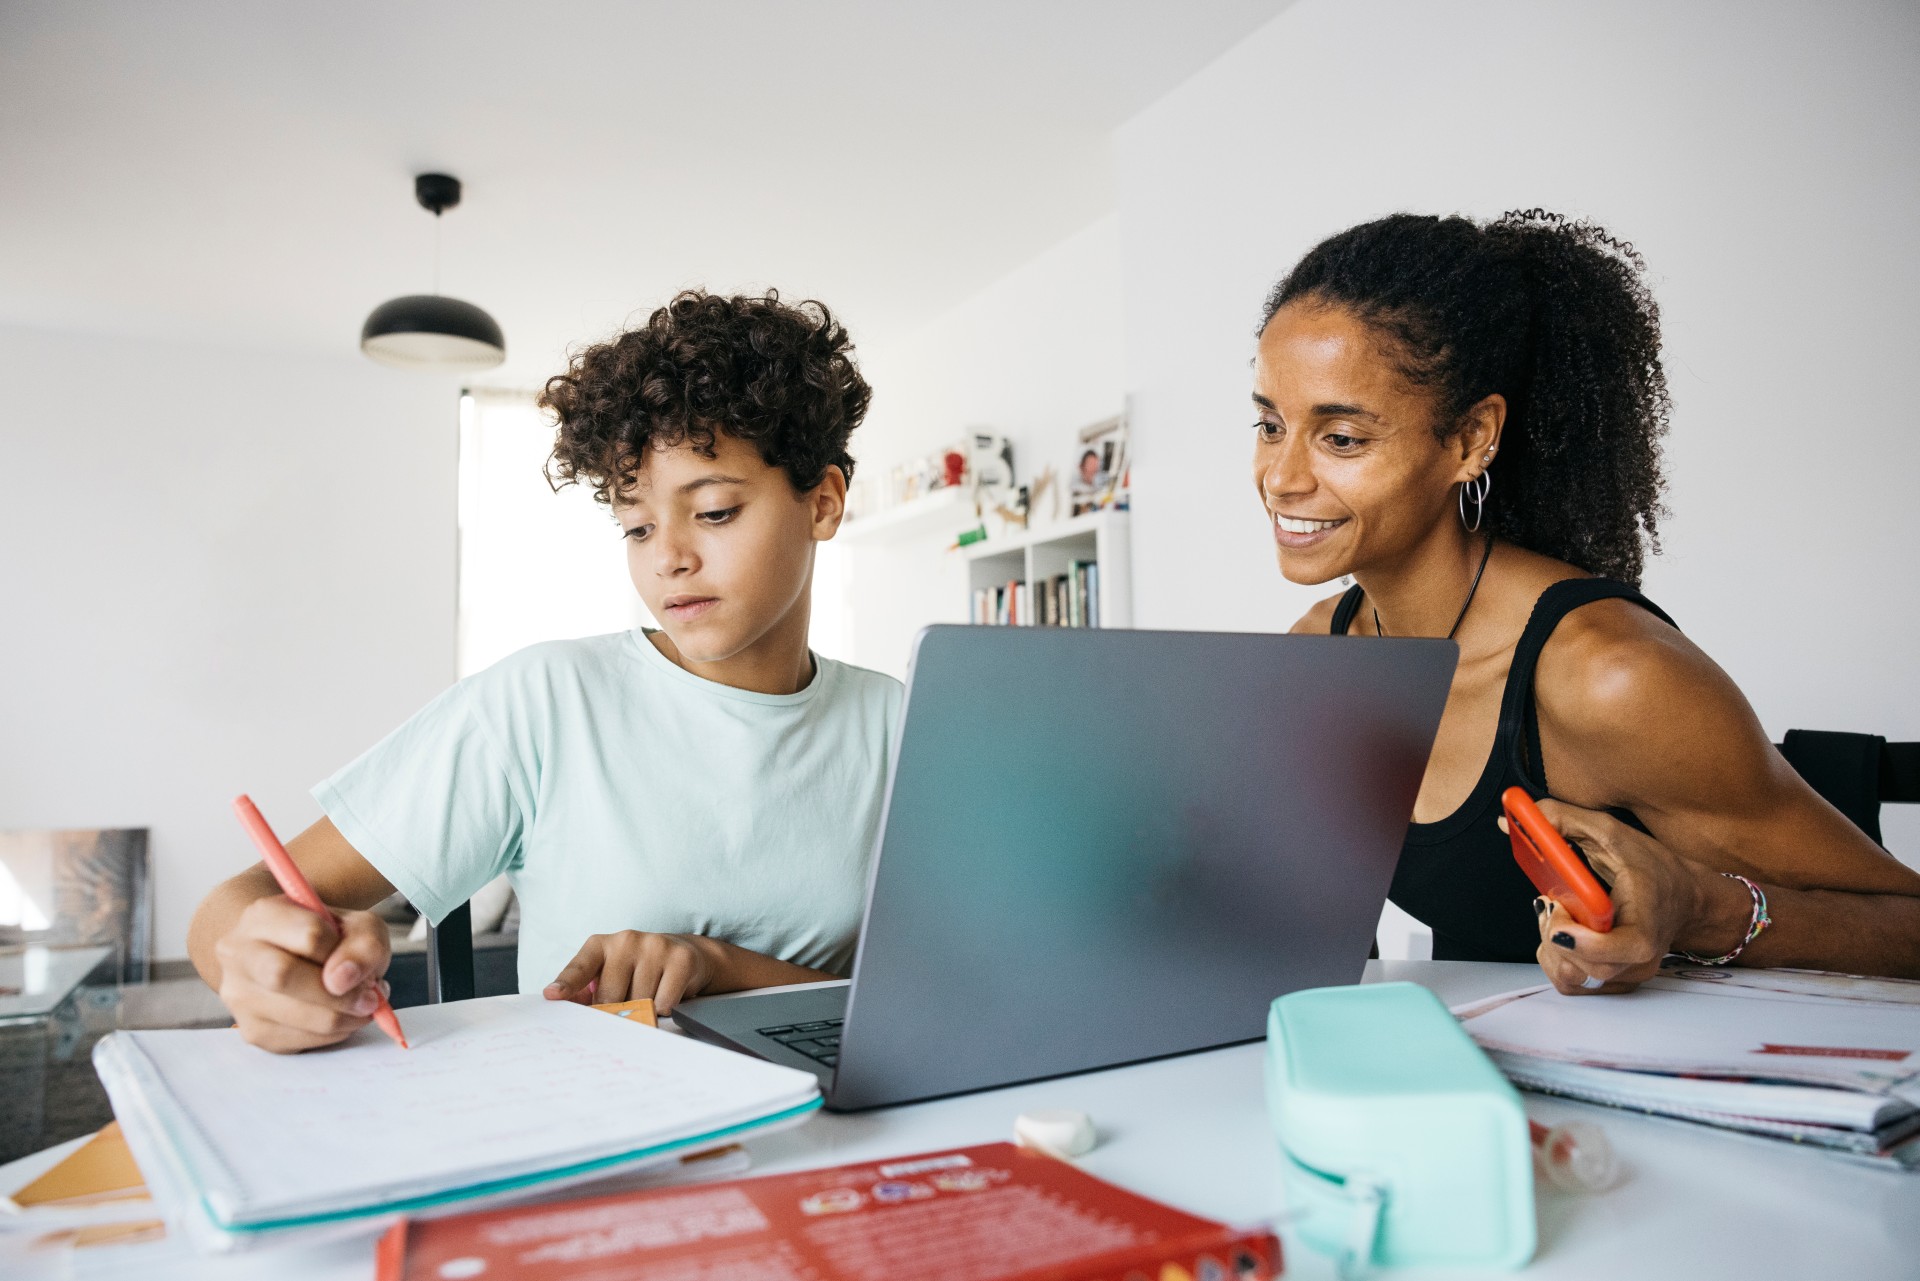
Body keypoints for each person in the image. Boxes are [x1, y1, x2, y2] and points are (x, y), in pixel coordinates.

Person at [189, 290, 902, 1051]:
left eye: (716, 510)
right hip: (605, 1134)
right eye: (637, 525)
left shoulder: (899, 724)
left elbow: (931, 1000)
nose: (668, 557)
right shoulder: (544, 703)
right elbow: (235, 904)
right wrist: (261, 963)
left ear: (823, 504)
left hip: (848, 1139)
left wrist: (717, 966)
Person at [1252, 211, 1920, 992]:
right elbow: (1318, 946)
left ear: (1470, 439)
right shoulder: (1318, 657)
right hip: (1484, 1079)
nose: (1281, 478)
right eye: (1269, 424)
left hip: (1696, 1086)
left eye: (1341, 438)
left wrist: (1698, 907)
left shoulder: (1606, 676)